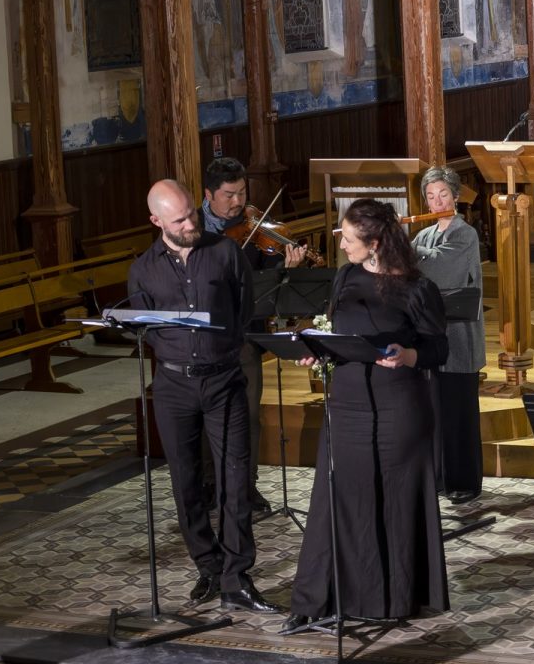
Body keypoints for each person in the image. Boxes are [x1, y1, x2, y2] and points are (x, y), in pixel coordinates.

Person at [280, 199, 450, 634]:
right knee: (336, 500)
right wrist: (316, 350)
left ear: (375, 243)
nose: (341, 244)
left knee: (393, 499)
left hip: (398, 406)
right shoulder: (345, 277)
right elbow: (336, 332)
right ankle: (318, 598)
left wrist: (408, 354)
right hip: (347, 403)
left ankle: (392, 598)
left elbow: (438, 349)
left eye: (349, 238)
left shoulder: (417, 288)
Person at [127, 179, 279, 612]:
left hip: (224, 380)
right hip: (173, 386)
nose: (190, 224)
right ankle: (208, 567)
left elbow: (244, 309)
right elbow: (146, 329)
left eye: (192, 214)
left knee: (236, 478)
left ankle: (237, 576)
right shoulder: (143, 269)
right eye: (179, 220)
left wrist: (220, 350)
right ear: (156, 221)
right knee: (186, 481)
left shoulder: (225, 252)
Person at [200, 157, 306, 514]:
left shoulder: (254, 225)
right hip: (204, 337)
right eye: (229, 195)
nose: (238, 202)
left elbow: (270, 272)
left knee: (248, 413)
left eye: (242, 193)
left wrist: (286, 267)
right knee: (208, 413)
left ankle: (246, 486)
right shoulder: (191, 227)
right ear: (209, 195)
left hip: (245, 334)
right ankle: (210, 484)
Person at [412, 166, 486, 505]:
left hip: (458, 338)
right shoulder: (424, 235)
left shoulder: (465, 234)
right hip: (430, 336)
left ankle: (465, 481)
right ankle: (439, 478)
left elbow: (439, 269)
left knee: (459, 413)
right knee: (435, 413)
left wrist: (404, 249)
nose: (437, 201)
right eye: (430, 196)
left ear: (455, 196)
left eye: (443, 194)